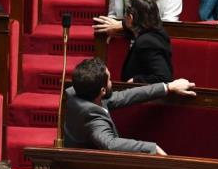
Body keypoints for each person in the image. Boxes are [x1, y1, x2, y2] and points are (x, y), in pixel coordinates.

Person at [62, 56, 196, 153]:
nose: (111, 82)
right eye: (109, 79)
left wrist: (168, 86)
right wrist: (151, 148)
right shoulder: (91, 116)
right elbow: (110, 144)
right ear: (102, 90)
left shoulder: (81, 92)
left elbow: (126, 95)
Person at [97, 0, 174, 84]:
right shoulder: (154, 31)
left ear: (130, 18)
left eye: (125, 15)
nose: (123, 19)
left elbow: (164, 77)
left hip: (142, 95)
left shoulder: (147, 42)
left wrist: (136, 80)